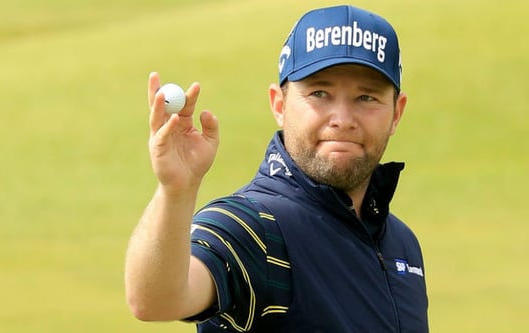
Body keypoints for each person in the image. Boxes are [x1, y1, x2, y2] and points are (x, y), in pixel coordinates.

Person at [124, 5, 429, 333]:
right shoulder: (255, 227)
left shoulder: (401, 243)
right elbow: (156, 300)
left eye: (366, 98)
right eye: (320, 93)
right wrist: (175, 193)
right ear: (279, 105)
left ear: (396, 113)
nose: (342, 119)